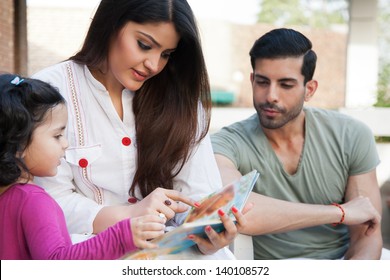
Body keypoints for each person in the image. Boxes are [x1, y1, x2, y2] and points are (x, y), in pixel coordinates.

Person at [32, 0, 242, 258]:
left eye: (166, 54)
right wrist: (129, 216)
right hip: (89, 252)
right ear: (111, 25)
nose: (153, 65)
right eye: (144, 45)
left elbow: (198, 196)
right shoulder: (51, 90)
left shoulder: (181, 101)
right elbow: (47, 203)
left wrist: (208, 236)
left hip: (174, 254)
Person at [211, 28, 385, 259]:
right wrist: (339, 213)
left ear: (309, 89)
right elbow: (235, 209)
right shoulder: (225, 144)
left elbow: (366, 235)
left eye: (286, 85)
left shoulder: (351, 136)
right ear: (252, 81)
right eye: (263, 82)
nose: (271, 95)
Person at [0, 74, 168, 259]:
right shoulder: (34, 200)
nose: (65, 144)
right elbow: (57, 262)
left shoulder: (8, 196)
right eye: (57, 136)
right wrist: (122, 237)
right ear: (20, 144)